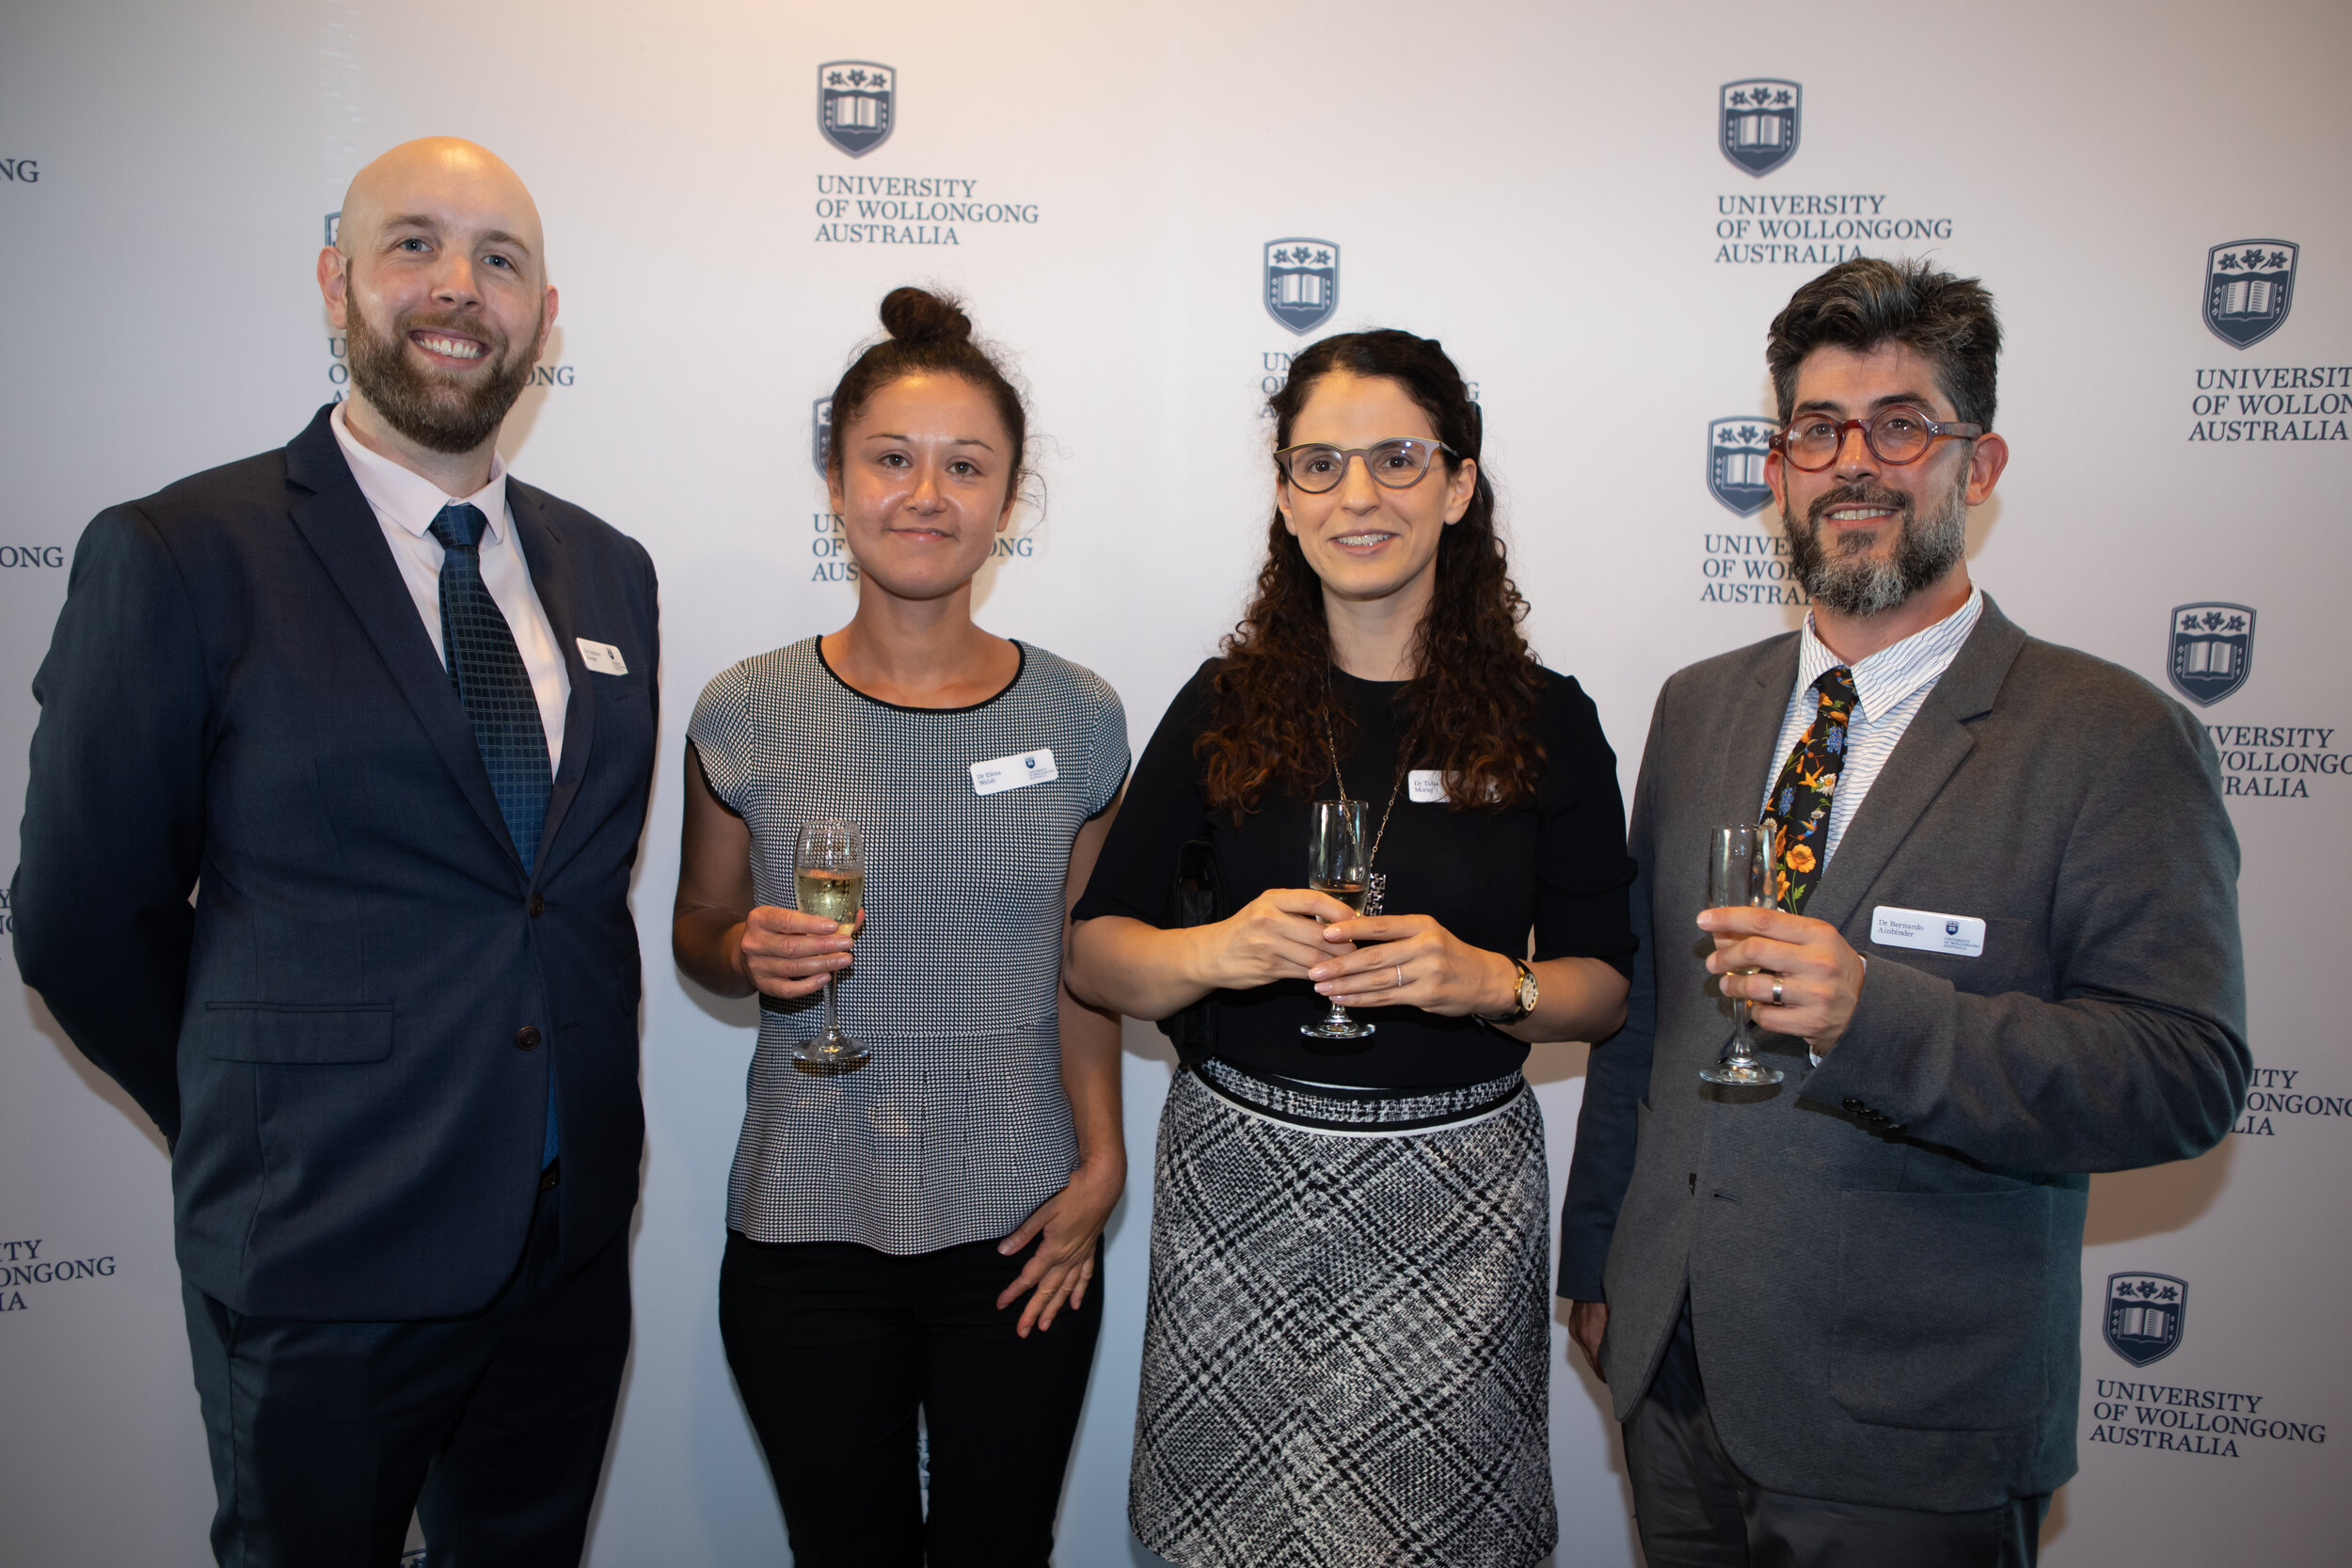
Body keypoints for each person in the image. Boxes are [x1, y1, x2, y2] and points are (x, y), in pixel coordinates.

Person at [13, 138, 660, 1564]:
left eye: (502, 260)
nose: (458, 289)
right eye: (413, 245)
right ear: (335, 283)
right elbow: (75, 918)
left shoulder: (610, 569)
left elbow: (557, 897)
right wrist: (261, 1111)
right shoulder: (184, 552)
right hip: (322, 1243)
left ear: (546, 317)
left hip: (560, 1244)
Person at [1559, 257, 2249, 1567]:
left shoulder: (2109, 737)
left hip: (1915, 1428)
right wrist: (1601, 1268)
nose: (1854, 465)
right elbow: (1644, 1020)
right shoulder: (1700, 705)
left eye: (1901, 426)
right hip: (1675, 1377)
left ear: (1975, 469)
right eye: (1817, 430)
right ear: (1777, 467)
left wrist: (1880, 1016)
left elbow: (2185, 1075)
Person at [1067, 329, 1636, 1568]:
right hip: (1239, 1196)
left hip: (1457, 1205)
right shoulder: (1221, 705)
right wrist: (1215, 952)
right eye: (1319, 465)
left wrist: (1493, 983)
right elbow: (1096, 954)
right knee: (1229, 1540)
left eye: (1395, 459)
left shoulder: (1549, 721)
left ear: (1458, 483)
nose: (1357, 497)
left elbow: (1603, 986)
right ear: (1283, 495)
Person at [672, 287, 1128, 1568]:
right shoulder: (745, 708)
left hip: (1021, 1222)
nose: (925, 495)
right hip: (807, 1217)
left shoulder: (1082, 716)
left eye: (965, 467)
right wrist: (742, 952)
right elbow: (698, 930)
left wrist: (1101, 1168)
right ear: (836, 479)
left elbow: (1084, 973)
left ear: (1008, 498)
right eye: (891, 459)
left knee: (999, 1551)